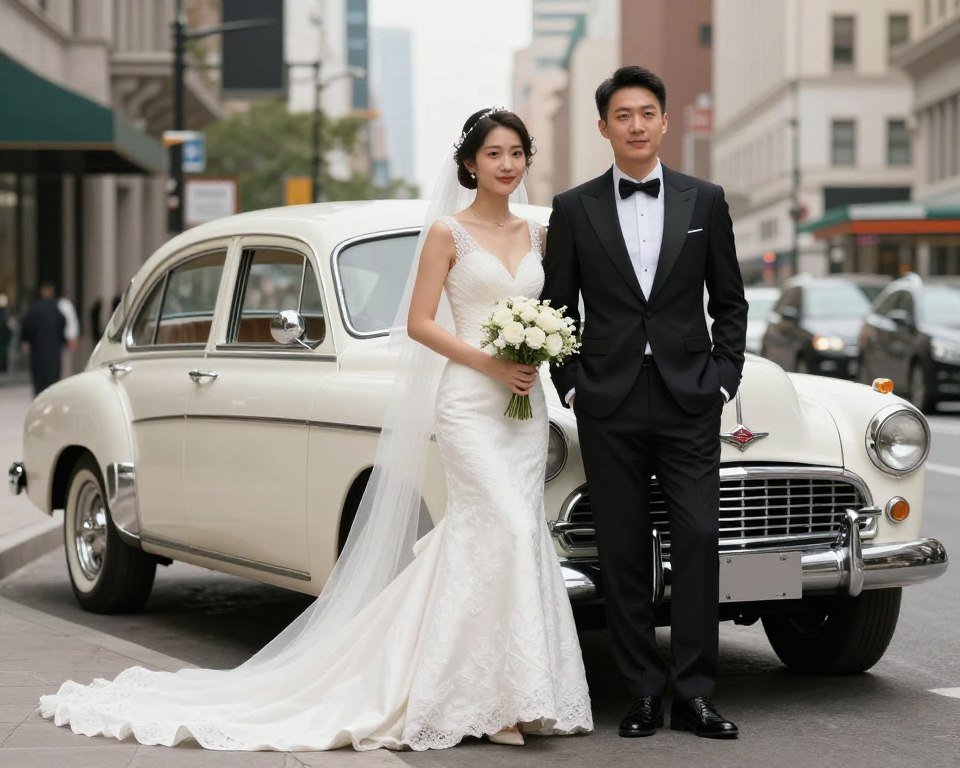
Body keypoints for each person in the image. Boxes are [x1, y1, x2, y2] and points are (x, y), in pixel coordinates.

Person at [38, 107, 592, 751]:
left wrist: (537, 353)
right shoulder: (447, 232)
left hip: (524, 406)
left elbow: (558, 306)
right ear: (470, 163)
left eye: (516, 153)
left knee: (505, 535)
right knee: (506, 525)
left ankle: (518, 693)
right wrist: (488, 360)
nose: (506, 164)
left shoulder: (541, 235)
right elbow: (418, 322)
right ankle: (489, 702)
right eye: (493, 153)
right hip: (469, 397)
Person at [541, 66, 748, 740]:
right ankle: (640, 692)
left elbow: (731, 301)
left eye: (647, 113)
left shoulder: (705, 199)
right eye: (623, 115)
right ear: (604, 127)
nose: (636, 125)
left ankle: (694, 694)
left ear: (664, 121)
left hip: (691, 397)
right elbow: (555, 306)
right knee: (624, 551)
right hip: (609, 400)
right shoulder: (573, 208)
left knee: (697, 540)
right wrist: (570, 383)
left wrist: (723, 378)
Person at [20, 282, 67, 395]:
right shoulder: (56, 308)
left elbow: (27, 326)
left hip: (38, 348)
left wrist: (25, 341)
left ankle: (39, 397)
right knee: (53, 375)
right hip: (53, 348)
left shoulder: (35, 308)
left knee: (39, 377)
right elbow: (63, 324)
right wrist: (61, 340)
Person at [0, 293, 11, 373]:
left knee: (3, 352)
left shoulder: (5, 313)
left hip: (3, 337)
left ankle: (3, 367)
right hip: (3, 337)